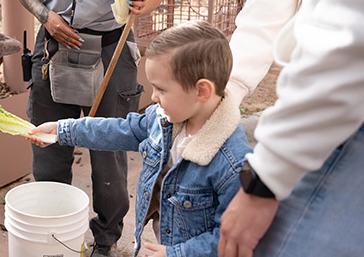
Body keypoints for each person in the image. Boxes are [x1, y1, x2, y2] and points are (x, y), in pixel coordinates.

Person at [217, 0, 364, 256]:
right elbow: (262, 20)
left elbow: (354, 33)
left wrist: (264, 181)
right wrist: (220, 100)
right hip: (333, 113)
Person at [29, 20, 252, 257]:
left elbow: (234, 240)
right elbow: (119, 130)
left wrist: (175, 253)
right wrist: (63, 130)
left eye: (161, 89)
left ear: (202, 91)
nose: (153, 97)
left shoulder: (234, 165)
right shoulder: (163, 119)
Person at [13, 0, 165, 255]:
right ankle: (54, 233)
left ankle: (106, 240)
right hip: (53, 46)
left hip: (112, 49)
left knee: (109, 154)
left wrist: (144, 2)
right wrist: (47, 17)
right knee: (48, 147)